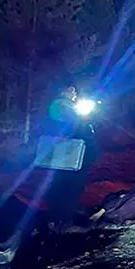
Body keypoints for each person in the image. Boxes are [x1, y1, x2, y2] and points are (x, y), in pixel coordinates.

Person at [42, 83, 99, 234]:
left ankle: (56, 221)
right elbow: (78, 128)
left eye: (74, 90)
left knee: (60, 187)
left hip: (66, 157)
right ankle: (62, 223)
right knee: (69, 188)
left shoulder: (58, 106)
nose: (73, 93)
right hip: (70, 157)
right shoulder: (63, 106)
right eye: (70, 89)